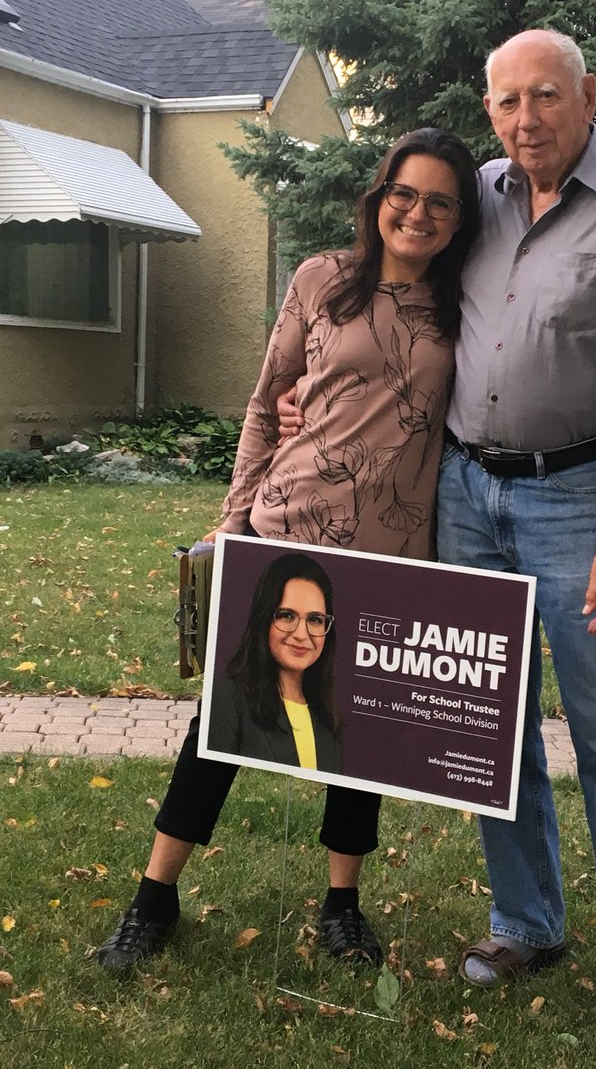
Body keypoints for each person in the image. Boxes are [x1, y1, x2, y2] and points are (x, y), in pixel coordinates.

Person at [278, 30, 596, 1059]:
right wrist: (311, 397)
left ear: (588, 95)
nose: (525, 120)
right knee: (490, 729)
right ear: (489, 109)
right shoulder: (481, 199)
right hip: (465, 491)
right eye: (507, 102)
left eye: (544, 96)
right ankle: (527, 923)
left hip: (579, 499)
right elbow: (397, 297)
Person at [95, 127, 480, 974]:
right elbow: (267, 402)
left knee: (359, 734)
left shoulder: (467, 304)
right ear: (379, 198)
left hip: (391, 552)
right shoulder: (321, 279)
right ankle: (153, 899)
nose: (417, 213)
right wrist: (233, 518)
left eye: (440, 201)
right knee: (223, 723)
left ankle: (342, 905)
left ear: (460, 220)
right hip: (286, 528)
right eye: (404, 193)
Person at [206, 553, 343, 773]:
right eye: (287, 616)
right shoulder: (225, 699)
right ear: (264, 619)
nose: (301, 634)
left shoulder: (329, 718)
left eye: (315, 619)